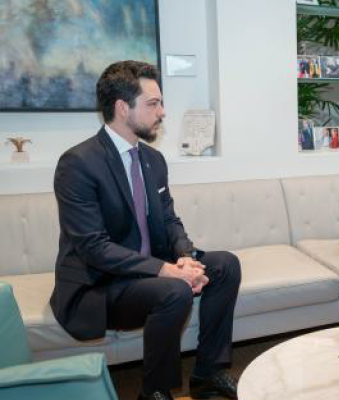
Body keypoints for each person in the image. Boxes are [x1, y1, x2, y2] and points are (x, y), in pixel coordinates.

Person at [50, 61, 242, 400]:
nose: (163, 112)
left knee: (225, 264)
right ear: (123, 108)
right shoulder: (78, 163)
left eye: (161, 103)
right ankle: (154, 392)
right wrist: (168, 271)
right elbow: (94, 247)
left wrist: (184, 256)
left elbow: (168, 220)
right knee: (175, 290)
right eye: (153, 104)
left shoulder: (153, 160)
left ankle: (207, 373)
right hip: (102, 283)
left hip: (147, 271)